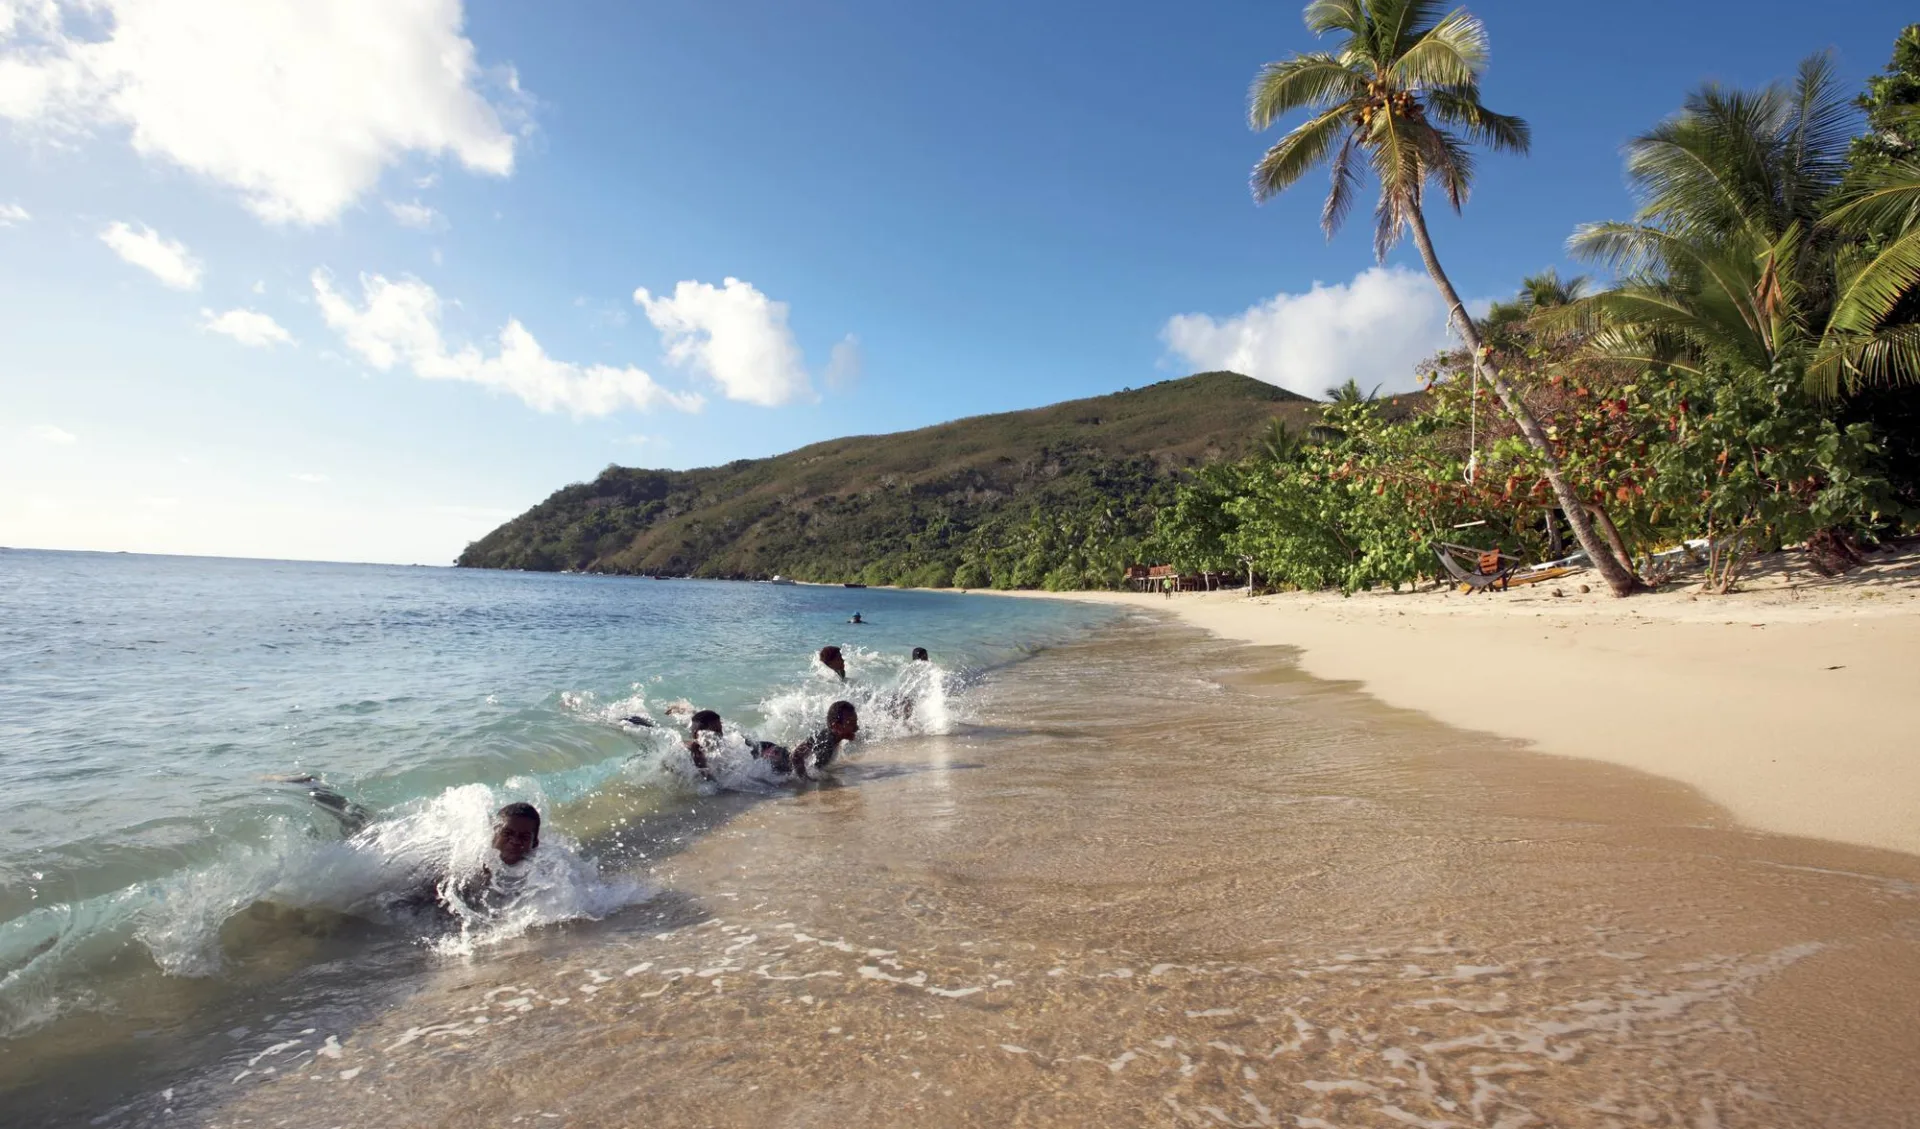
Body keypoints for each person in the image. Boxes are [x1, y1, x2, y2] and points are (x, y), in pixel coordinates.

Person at [792, 700, 860, 772]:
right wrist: (805, 780)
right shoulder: (827, 744)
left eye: (855, 722)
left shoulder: (832, 738)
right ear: (836, 726)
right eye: (850, 724)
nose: (856, 728)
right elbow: (796, 756)